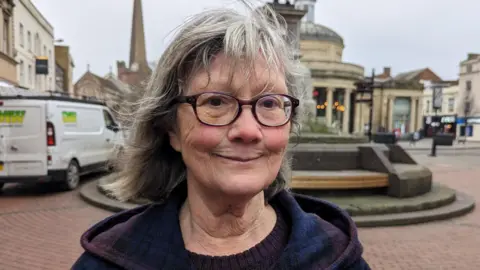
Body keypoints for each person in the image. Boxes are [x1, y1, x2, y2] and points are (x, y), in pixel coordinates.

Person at [72, 2, 370, 270]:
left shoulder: (339, 259)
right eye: (215, 102)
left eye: (269, 103)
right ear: (170, 129)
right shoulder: (106, 262)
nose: (248, 131)